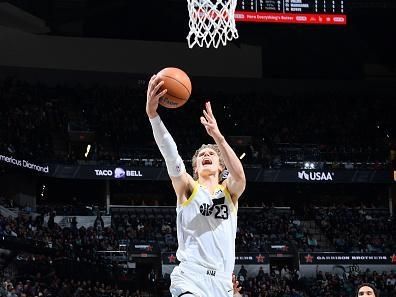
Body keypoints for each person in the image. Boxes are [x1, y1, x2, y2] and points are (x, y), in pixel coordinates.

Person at [146, 74, 246, 297]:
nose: (206, 155)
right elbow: (172, 159)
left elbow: (239, 176)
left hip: (222, 283)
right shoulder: (189, 188)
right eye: (201, 156)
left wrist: (217, 136)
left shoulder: (229, 192)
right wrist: (153, 116)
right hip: (191, 276)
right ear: (196, 168)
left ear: (221, 166)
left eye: (211, 154)